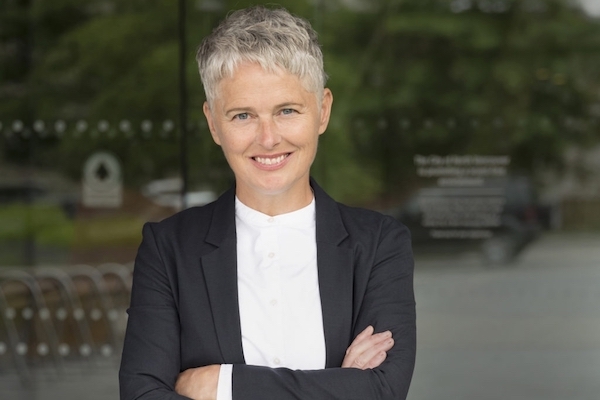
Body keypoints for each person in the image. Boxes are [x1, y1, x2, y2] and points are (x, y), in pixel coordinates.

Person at [119, 6, 415, 400]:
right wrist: (340, 386)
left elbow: (383, 390)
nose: (269, 138)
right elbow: (141, 394)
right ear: (213, 123)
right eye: (243, 115)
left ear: (323, 111)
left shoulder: (380, 244)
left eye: (287, 111)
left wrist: (221, 384)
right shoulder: (169, 249)